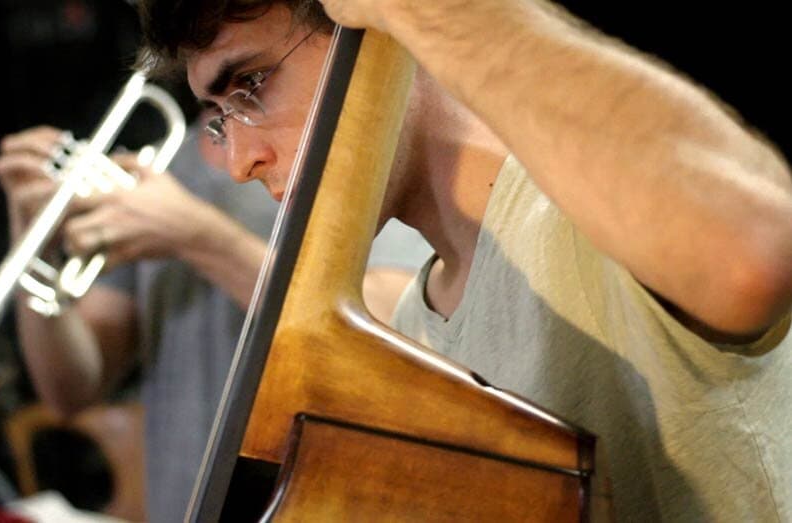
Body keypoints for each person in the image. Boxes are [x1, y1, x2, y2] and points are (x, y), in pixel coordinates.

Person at [136, 0, 792, 521]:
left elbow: (755, 250)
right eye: (221, 117)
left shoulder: (592, 214)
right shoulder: (412, 328)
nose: (240, 160)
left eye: (251, 84)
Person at [0, 109, 432, 521]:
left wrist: (197, 236)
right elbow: (70, 390)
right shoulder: (156, 169)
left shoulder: (359, 149)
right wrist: (34, 243)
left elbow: (394, 333)